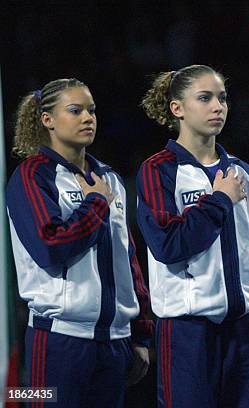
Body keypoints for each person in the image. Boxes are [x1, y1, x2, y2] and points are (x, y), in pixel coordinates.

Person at [138, 64, 249, 408]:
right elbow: (168, 246)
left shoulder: (243, 172)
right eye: (204, 98)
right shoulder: (159, 170)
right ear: (177, 108)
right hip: (188, 331)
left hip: (243, 331)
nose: (218, 106)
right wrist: (218, 201)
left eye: (222, 98)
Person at [6, 78, 153, 407]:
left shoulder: (110, 178)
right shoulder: (32, 176)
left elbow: (127, 259)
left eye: (92, 110)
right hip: (59, 339)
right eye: (75, 110)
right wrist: (95, 206)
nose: (88, 117)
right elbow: (50, 247)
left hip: (115, 342)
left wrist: (140, 333)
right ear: (48, 120)